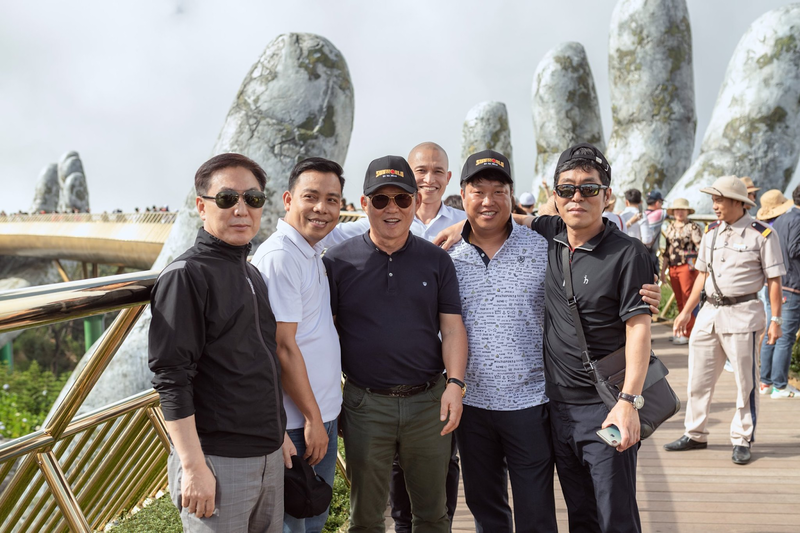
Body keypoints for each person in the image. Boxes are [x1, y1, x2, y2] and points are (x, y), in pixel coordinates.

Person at [323, 142, 466, 531]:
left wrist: (455, 384)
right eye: (381, 199)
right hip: (365, 404)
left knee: (432, 515)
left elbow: (452, 327)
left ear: (414, 201)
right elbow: (322, 332)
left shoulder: (436, 260)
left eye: (402, 199)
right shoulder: (337, 262)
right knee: (366, 518)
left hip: (428, 403)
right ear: (364, 202)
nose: (392, 209)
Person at [149, 153, 286, 532]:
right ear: (201, 207)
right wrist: (193, 468)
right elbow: (172, 378)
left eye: (253, 199)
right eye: (227, 199)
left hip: (268, 454)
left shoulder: (250, 272)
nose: (241, 209)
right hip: (218, 461)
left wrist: (279, 435)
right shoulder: (186, 276)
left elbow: (262, 359)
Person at [526, 143, 653, 533]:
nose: (577, 197)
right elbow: (510, 220)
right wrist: (457, 226)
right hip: (556, 407)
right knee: (580, 516)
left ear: (607, 195)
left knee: (614, 516)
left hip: (605, 407)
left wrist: (629, 402)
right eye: (566, 189)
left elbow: (639, 329)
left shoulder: (628, 253)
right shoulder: (551, 233)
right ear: (554, 197)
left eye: (589, 189)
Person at [448, 150, 556, 532]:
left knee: (536, 508)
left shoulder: (542, 248)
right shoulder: (446, 256)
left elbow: (595, 229)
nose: (488, 201)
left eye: (499, 191)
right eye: (479, 191)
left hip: (530, 401)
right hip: (471, 403)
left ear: (511, 196)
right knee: (484, 505)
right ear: (463, 196)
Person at [252, 157, 346, 532]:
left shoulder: (308, 252)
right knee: (295, 523)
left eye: (332, 200)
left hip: (316, 416)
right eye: (311, 197)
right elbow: (282, 347)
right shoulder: (281, 257)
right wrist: (311, 419)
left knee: (312, 518)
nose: (322, 208)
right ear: (289, 199)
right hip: (298, 423)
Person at [665, 176, 785, 465]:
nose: (714, 205)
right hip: (708, 315)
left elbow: (774, 281)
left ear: (737, 202)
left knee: (746, 382)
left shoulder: (762, 234)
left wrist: (776, 319)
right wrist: (685, 312)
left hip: (742, 315)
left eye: (719, 200)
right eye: (713, 199)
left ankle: (742, 438)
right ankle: (695, 433)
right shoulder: (711, 232)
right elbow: (702, 277)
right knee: (698, 379)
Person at [756, 187, 800, 399]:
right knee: (785, 337)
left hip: (776, 283)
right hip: (791, 285)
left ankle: (766, 382)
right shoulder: (798, 219)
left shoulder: (782, 219)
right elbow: (794, 249)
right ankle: (780, 385)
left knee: (772, 333)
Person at [660, 198, 703, 345]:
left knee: (687, 300)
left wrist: (701, 267)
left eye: (682, 210)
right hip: (673, 266)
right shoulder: (670, 227)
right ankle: (680, 331)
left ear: (687, 211)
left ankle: (689, 333)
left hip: (688, 267)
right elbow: (667, 251)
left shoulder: (693, 227)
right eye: (677, 210)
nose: (679, 212)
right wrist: (663, 271)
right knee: (679, 300)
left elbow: (700, 247)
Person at [643, 190, 667, 270]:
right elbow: (670, 212)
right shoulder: (659, 213)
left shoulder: (643, 214)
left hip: (640, 251)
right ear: (657, 203)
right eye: (661, 203)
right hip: (650, 253)